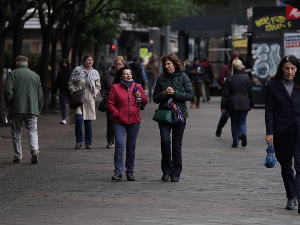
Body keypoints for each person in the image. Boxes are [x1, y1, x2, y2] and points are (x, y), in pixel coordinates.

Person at [265, 55, 300, 213]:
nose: (290, 72)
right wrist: (269, 132)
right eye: (287, 68)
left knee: (299, 166)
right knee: (286, 165)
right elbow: (270, 111)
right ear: (281, 69)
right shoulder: (273, 84)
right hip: (281, 131)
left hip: (299, 130)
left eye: (293, 68)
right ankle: (291, 196)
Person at [153, 52, 194, 182]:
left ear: (175, 64)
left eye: (169, 63)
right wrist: (164, 94)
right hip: (164, 114)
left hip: (179, 115)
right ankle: (166, 170)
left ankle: (176, 172)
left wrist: (175, 93)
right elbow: (155, 98)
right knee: (165, 142)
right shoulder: (161, 79)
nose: (167, 66)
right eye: (165, 64)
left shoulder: (183, 76)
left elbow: (190, 95)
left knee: (176, 145)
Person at [108, 67, 147, 181]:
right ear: (121, 76)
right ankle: (118, 172)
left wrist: (140, 96)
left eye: (130, 74)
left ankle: (130, 172)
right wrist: (117, 113)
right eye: (125, 74)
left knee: (131, 147)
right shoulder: (115, 87)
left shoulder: (137, 86)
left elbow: (144, 102)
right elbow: (110, 103)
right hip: (119, 121)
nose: (128, 76)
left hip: (134, 122)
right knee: (120, 145)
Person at [4, 55, 44, 164]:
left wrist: (9, 102)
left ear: (16, 64)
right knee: (32, 131)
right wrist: (39, 107)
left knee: (16, 131)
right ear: (27, 64)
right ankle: (34, 150)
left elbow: (8, 91)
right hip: (32, 107)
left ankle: (18, 156)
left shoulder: (12, 74)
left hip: (17, 107)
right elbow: (40, 94)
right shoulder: (35, 76)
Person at [68, 53, 101, 150]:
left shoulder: (95, 73)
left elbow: (98, 86)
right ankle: (78, 141)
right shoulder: (77, 71)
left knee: (88, 122)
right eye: (88, 59)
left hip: (89, 99)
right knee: (78, 119)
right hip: (78, 99)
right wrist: (74, 91)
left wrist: (95, 93)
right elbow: (70, 83)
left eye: (92, 60)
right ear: (84, 61)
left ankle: (88, 142)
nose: (90, 61)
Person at [221, 59, 253, 148]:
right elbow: (250, 92)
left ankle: (235, 142)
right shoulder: (246, 78)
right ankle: (243, 133)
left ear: (232, 67)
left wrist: (223, 106)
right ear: (241, 67)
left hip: (232, 102)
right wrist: (251, 104)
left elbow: (225, 94)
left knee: (234, 122)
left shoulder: (229, 79)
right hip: (244, 101)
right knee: (242, 121)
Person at [216, 52, 246, 137]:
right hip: (228, 94)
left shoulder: (242, 70)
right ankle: (220, 127)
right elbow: (220, 79)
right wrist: (228, 85)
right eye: (235, 58)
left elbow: (245, 82)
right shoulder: (226, 68)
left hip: (239, 95)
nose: (236, 59)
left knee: (239, 115)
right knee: (226, 114)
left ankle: (240, 133)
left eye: (238, 58)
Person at [101, 56, 125, 149]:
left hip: (122, 102)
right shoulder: (108, 74)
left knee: (121, 121)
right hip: (110, 101)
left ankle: (120, 140)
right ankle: (110, 140)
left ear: (123, 65)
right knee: (111, 120)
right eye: (116, 64)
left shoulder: (126, 74)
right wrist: (104, 96)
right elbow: (102, 85)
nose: (118, 66)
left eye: (120, 64)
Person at [53, 59, 73, 124]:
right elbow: (57, 82)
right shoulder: (60, 72)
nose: (64, 64)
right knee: (63, 104)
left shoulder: (71, 71)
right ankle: (64, 118)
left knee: (71, 104)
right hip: (62, 90)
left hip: (71, 90)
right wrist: (54, 91)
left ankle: (71, 118)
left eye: (65, 63)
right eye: (63, 63)